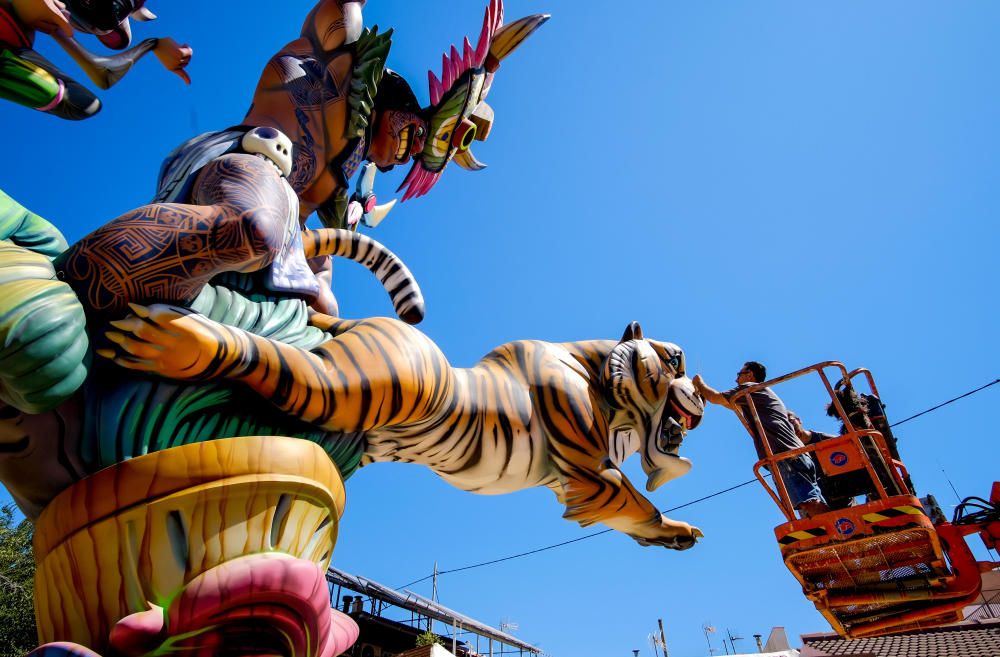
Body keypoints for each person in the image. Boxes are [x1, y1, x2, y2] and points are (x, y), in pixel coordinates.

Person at [693, 362, 829, 518]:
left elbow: (717, 398)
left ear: (750, 375)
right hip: (793, 454)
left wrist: (699, 383)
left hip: (786, 454)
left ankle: (841, 531)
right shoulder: (757, 396)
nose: (736, 379)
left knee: (808, 503)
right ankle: (838, 532)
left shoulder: (751, 388)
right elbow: (729, 403)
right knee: (807, 504)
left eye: (739, 374)